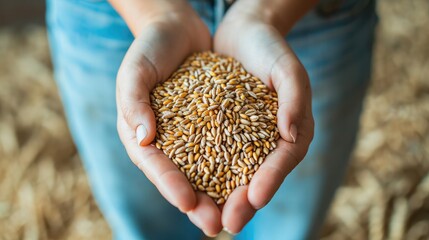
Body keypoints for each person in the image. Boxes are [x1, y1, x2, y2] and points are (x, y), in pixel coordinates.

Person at [46, 0, 377, 239]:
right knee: (143, 221)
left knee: (291, 220)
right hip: (113, 12)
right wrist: (153, 11)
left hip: (311, 13)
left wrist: (268, 10)